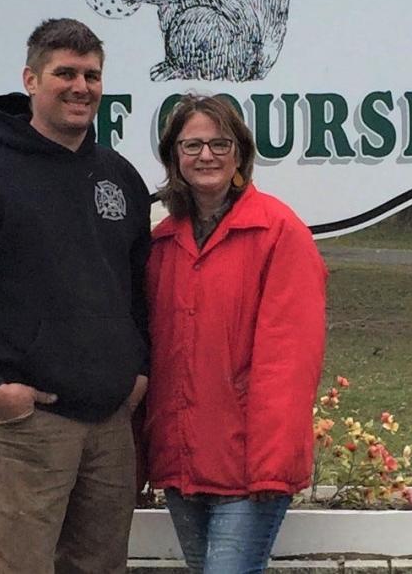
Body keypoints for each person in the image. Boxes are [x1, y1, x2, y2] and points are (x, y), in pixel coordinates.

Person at [0, 18, 151, 574]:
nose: (80, 87)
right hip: (28, 425)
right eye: (64, 72)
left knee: (100, 565)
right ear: (31, 79)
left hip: (110, 425)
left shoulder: (119, 176)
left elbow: (139, 289)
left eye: (91, 75)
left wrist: (139, 369)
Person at [144, 95, 327, 574]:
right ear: (174, 157)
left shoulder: (278, 231)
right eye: (193, 145)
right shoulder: (164, 241)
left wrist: (270, 467)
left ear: (241, 154)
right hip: (183, 464)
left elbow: (288, 361)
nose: (206, 155)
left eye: (220, 143)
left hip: (246, 468)